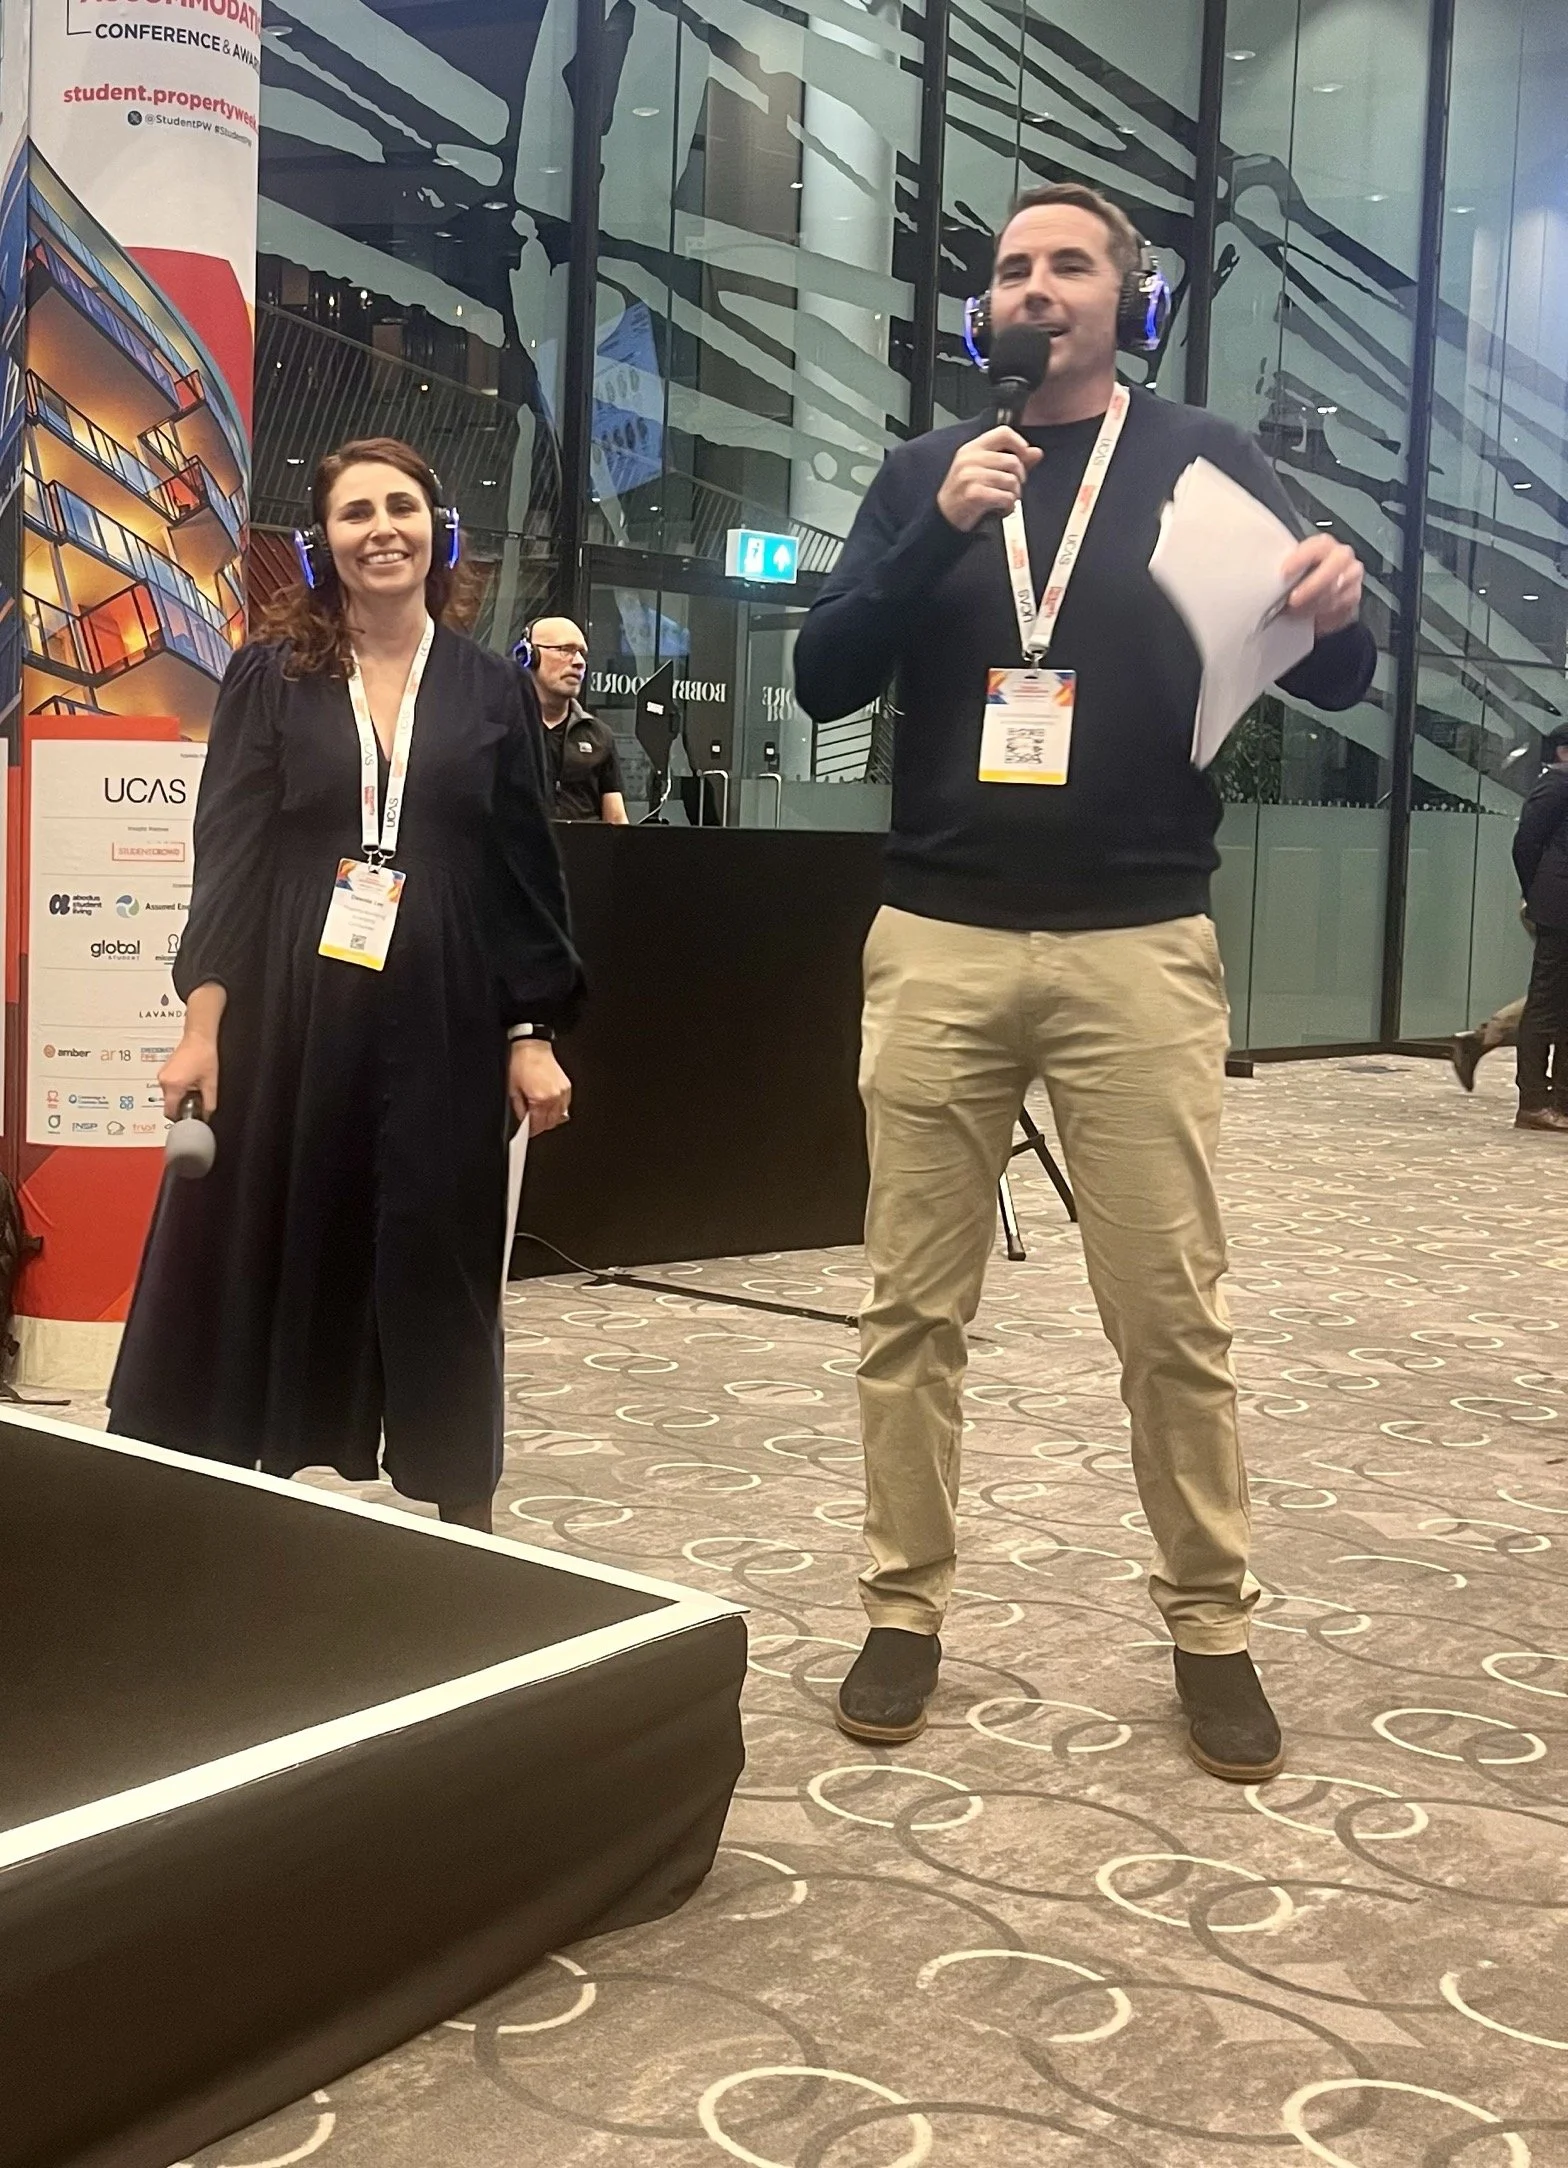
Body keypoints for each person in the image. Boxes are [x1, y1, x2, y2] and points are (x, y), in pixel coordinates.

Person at [794, 181, 1375, 1783]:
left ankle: (1211, 1626)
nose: (1036, 287)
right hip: (942, 936)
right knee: (911, 1306)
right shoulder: (929, 473)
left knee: (1171, 1313)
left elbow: (1317, 666)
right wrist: (939, 534)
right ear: (986, 311)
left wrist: (1341, 615)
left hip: (1138, 943)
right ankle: (902, 1609)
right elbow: (825, 670)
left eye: (1071, 266)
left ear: (1129, 299)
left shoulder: (1200, 461)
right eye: (1012, 270)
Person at [109, 437, 583, 1534]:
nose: (381, 528)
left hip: (449, 1007)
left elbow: (525, 871)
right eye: (355, 511)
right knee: (270, 1230)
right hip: (287, 1001)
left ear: (437, 528)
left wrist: (532, 1027)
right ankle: (239, 1498)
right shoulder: (271, 675)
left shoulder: (488, 688)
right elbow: (226, 855)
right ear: (321, 540)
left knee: (438, 1248)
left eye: (401, 506)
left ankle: (460, 1511)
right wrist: (202, 1024)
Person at [1511, 725, 1568, 1132]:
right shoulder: (1553, 788)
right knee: (1545, 1005)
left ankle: (1562, 1100)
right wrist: (1537, 892)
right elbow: (1525, 845)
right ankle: (1533, 1100)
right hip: (1558, 907)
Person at [521, 617, 630, 824]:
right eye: (565, 650)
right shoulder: (499, 729)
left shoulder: (599, 735)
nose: (579, 662)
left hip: (586, 854)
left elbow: (616, 821)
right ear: (529, 655)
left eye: (582, 653)